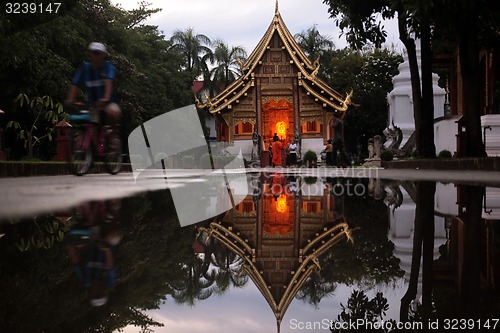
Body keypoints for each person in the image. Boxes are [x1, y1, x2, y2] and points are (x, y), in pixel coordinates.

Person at [65, 42, 121, 151]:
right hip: (93, 105)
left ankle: (113, 136)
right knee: (85, 122)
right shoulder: (84, 68)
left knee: (112, 112)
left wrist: (105, 98)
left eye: (97, 53)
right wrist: (70, 99)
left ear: (103, 55)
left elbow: (109, 82)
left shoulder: (108, 67)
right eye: (92, 53)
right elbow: (75, 84)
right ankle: (86, 150)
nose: (94, 56)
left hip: (108, 103)